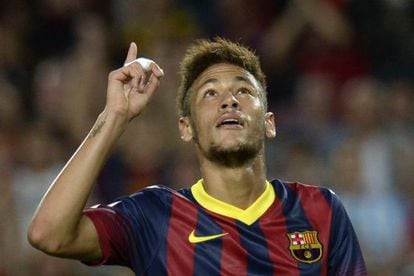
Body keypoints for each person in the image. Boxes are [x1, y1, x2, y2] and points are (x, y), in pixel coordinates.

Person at [28, 38, 366, 275]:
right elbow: (49, 234)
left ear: (269, 124)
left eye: (244, 91)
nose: (229, 100)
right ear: (186, 128)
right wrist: (114, 116)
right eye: (210, 93)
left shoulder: (320, 210)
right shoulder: (155, 217)